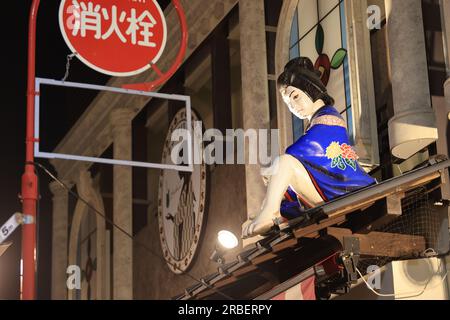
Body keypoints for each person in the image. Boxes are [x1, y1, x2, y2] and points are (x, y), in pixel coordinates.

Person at [242, 57, 377, 239]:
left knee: (285, 162)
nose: (293, 106)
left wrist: (278, 169)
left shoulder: (330, 117)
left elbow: (306, 152)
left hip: (347, 188)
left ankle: (268, 214)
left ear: (310, 88)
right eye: (288, 104)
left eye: (295, 96)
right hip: (332, 189)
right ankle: (268, 213)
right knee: (283, 170)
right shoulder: (316, 121)